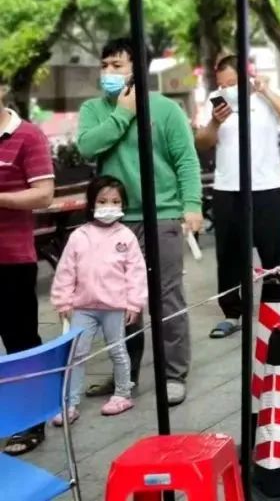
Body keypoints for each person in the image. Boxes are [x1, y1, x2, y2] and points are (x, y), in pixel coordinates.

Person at [76, 37, 202, 406]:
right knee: (119, 303)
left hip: (161, 216)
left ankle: (173, 374)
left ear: (137, 70)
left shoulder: (165, 110)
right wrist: (123, 113)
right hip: (112, 221)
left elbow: (186, 160)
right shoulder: (93, 109)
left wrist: (191, 205)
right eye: (105, 65)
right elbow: (87, 146)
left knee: (167, 298)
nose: (108, 72)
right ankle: (125, 374)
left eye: (117, 65)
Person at [195, 55, 280, 338]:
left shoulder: (265, 97)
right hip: (227, 188)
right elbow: (202, 142)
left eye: (232, 82)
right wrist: (215, 122)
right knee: (228, 255)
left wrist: (266, 91)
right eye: (222, 84)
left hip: (265, 187)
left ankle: (276, 310)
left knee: (271, 252)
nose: (226, 89)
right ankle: (232, 313)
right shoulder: (216, 102)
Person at [50, 176, 147, 423]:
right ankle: (70, 403)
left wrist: (134, 303)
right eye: (102, 201)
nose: (109, 206)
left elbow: (136, 274)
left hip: (115, 307)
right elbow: (66, 270)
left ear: (123, 205)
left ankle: (123, 394)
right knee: (77, 354)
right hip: (83, 307)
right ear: (92, 203)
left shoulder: (126, 236)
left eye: (115, 201)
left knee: (118, 350)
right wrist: (63, 301)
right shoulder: (79, 236)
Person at [0, 98, 55, 455]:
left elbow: (44, 194)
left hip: (11, 260)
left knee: (20, 342)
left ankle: (30, 422)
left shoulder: (28, 135)